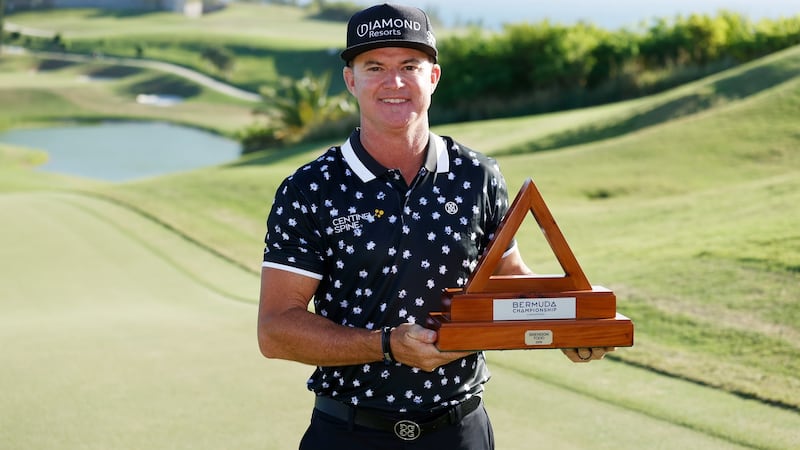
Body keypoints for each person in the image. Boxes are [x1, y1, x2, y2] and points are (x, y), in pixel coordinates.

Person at [257, 4, 610, 449]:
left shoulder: (478, 176)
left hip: (460, 432)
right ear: (351, 80)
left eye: (409, 66)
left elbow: (506, 280)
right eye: (375, 67)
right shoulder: (311, 187)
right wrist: (386, 344)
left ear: (433, 77)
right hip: (348, 433)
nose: (395, 82)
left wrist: (569, 324)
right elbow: (274, 330)